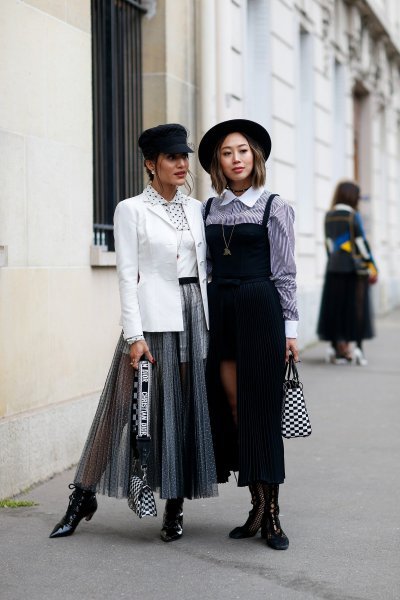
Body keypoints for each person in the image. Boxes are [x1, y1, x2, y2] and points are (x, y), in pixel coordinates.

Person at [49, 124, 217, 542]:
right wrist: (133, 336)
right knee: (121, 406)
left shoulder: (197, 208)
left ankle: (174, 507)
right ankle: (81, 495)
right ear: (150, 163)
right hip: (151, 319)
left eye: (184, 157)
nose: (181, 164)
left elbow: (204, 268)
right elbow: (126, 278)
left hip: (194, 314)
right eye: (171, 157)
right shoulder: (131, 210)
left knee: (183, 410)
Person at [198, 119, 299, 550]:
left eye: (242, 150)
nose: (236, 159)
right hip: (220, 312)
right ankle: (255, 504)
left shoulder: (274, 206)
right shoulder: (208, 208)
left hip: (260, 310)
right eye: (227, 152)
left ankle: (272, 514)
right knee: (234, 409)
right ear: (218, 162)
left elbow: (286, 273)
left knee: (262, 410)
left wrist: (290, 330)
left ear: (254, 157)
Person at [317, 180, 378, 366]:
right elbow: (361, 244)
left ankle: (336, 349)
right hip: (353, 271)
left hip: (333, 269)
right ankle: (358, 348)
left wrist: (333, 260)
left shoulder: (328, 216)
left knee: (335, 308)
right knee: (356, 310)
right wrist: (372, 265)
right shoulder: (353, 216)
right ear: (353, 197)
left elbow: (328, 245)